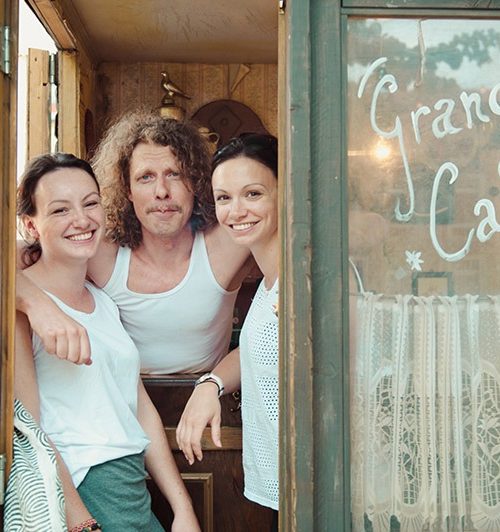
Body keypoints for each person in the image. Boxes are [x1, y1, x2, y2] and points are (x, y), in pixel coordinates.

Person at [13, 153, 200, 531]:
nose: (81, 220)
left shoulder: (104, 302)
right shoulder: (22, 311)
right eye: (60, 210)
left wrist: (182, 508)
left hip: (132, 488)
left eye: (90, 203)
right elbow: (30, 433)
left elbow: (140, 409)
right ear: (31, 225)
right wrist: (81, 521)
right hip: (85, 489)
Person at [16, 110, 251, 372]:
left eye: (175, 174)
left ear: (195, 182)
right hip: (124, 392)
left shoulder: (226, 245)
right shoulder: (100, 251)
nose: (161, 191)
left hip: (207, 390)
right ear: (127, 189)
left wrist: (216, 382)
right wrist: (36, 305)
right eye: (145, 177)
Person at [176, 134, 279, 528]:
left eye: (253, 194)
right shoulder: (269, 282)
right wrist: (211, 384)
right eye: (224, 197)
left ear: (285, 193)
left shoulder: (304, 282)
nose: (237, 211)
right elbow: (259, 350)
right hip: (279, 487)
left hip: (317, 491)